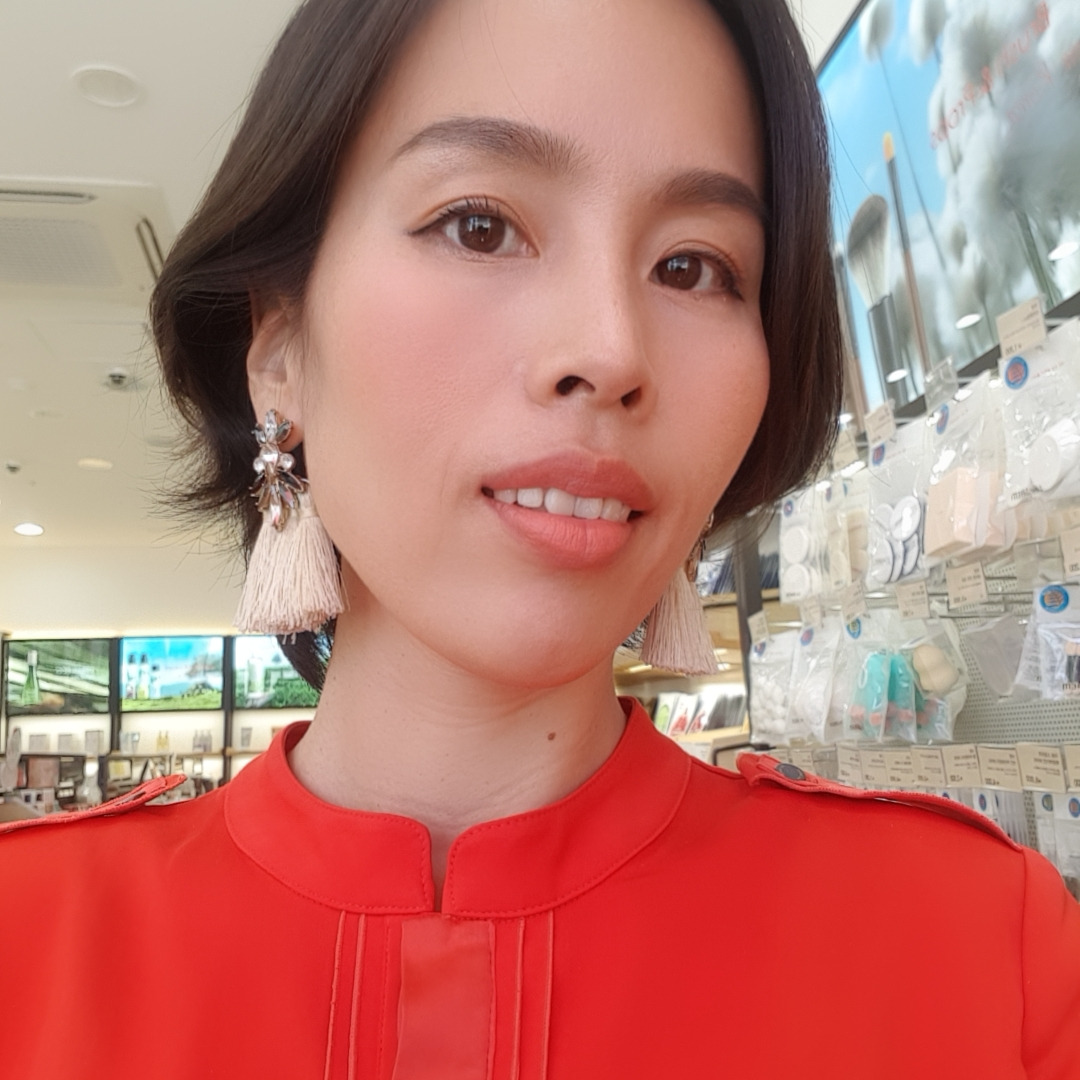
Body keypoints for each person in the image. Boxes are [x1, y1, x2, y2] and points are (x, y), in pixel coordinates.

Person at [1, 0, 1078, 1076]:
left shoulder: (986, 954)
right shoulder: (30, 943)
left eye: (693, 267)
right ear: (277, 347)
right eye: (479, 225)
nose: (609, 351)